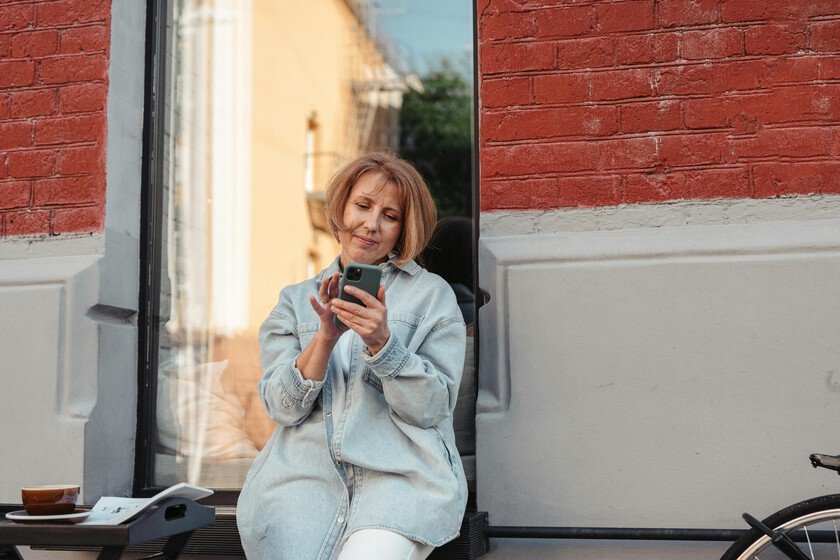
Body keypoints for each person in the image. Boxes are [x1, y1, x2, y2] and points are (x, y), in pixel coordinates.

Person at [237, 151, 468, 560]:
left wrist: (383, 343)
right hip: (301, 484)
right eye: (363, 206)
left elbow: (432, 407)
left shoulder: (432, 297)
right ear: (342, 207)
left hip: (401, 481)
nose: (372, 224)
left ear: (403, 229)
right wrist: (324, 339)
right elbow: (281, 408)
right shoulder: (294, 301)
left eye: (390, 215)